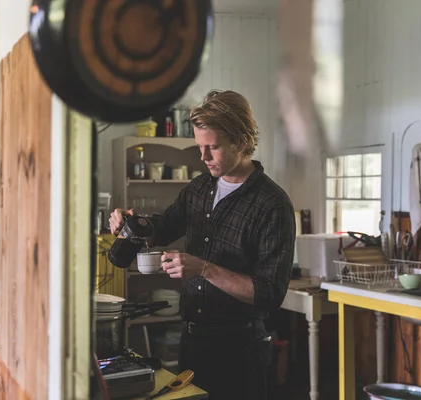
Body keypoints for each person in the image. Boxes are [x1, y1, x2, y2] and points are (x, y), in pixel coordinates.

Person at [109, 90, 296, 400]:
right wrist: (132, 222)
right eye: (199, 147)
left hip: (240, 353)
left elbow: (269, 294)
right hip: (193, 343)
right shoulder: (198, 188)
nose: (203, 157)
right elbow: (162, 228)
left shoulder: (272, 204)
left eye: (213, 147)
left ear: (242, 141)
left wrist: (204, 269)